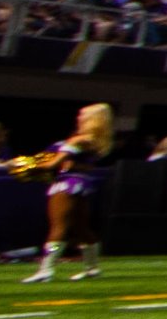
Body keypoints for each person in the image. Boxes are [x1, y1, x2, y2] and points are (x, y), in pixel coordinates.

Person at [22, 103, 114, 282]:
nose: (78, 118)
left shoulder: (79, 140)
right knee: (81, 228)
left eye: (82, 115)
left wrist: (26, 167)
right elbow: (82, 165)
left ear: (91, 120)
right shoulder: (93, 141)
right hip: (82, 184)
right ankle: (92, 268)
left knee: (59, 227)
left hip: (66, 184)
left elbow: (53, 164)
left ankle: (46, 269)